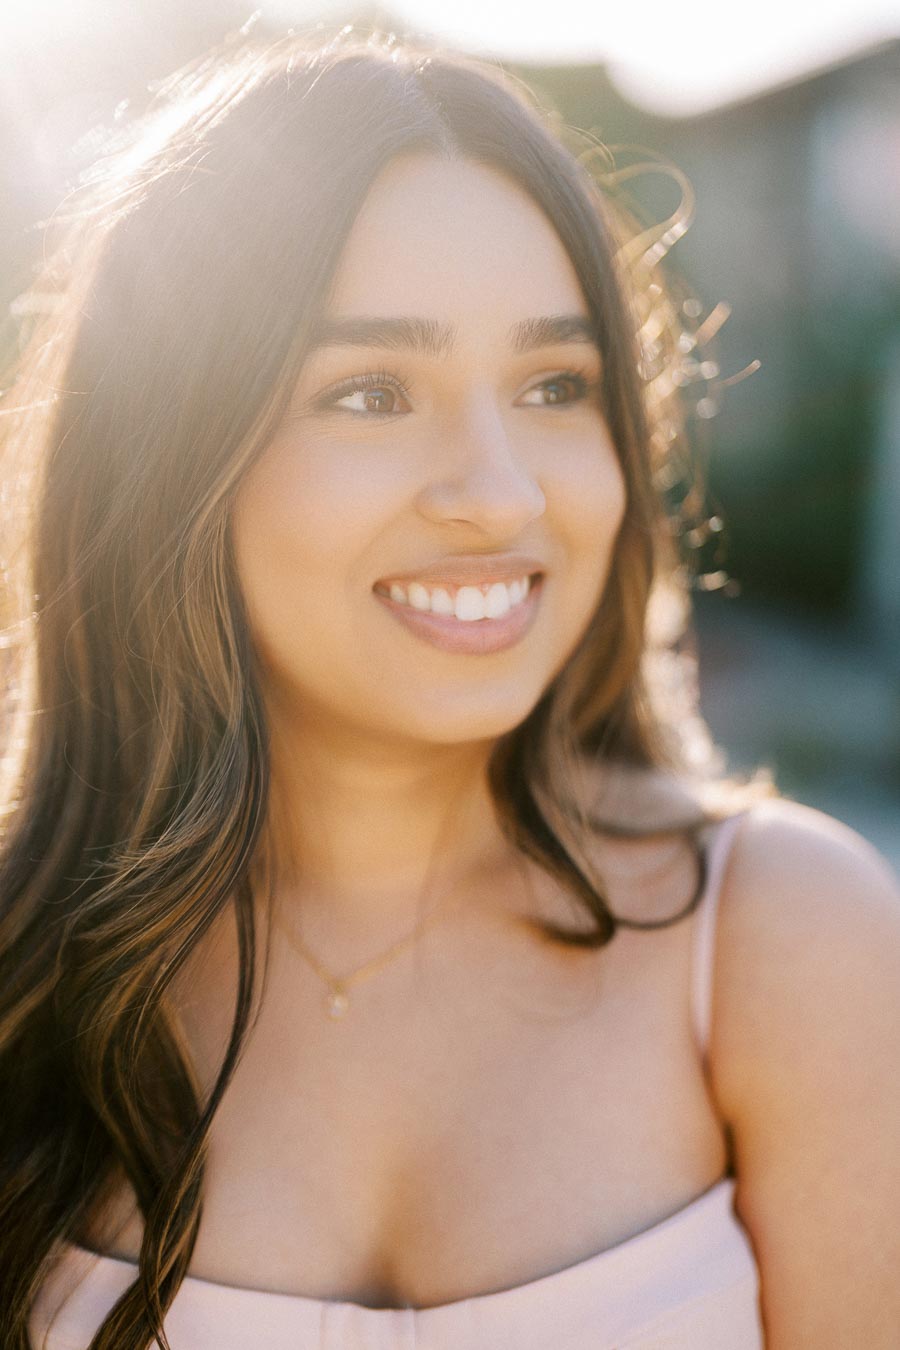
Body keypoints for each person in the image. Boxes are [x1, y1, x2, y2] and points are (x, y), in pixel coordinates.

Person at [1, 29, 898, 1350]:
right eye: (371, 391)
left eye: (555, 384)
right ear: (172, 455)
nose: (499, 492)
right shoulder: (30, 962)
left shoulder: (781, 942)